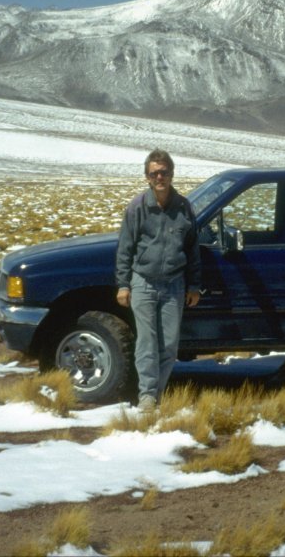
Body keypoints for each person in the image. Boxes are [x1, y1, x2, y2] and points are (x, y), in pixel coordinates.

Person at [115, 149, 201, 411]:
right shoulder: (137, 207)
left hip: (174, 284)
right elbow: (125, 248)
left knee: (169, 345)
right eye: (154, 173)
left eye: (164, 172)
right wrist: (123, 284)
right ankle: (148, 396)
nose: (159, 177)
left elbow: (193, 249)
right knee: (147, 343)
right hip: (143, 282)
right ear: (147, 177)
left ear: (172, 174)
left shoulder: (184, 207)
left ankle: (157, 392)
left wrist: (194, 285)